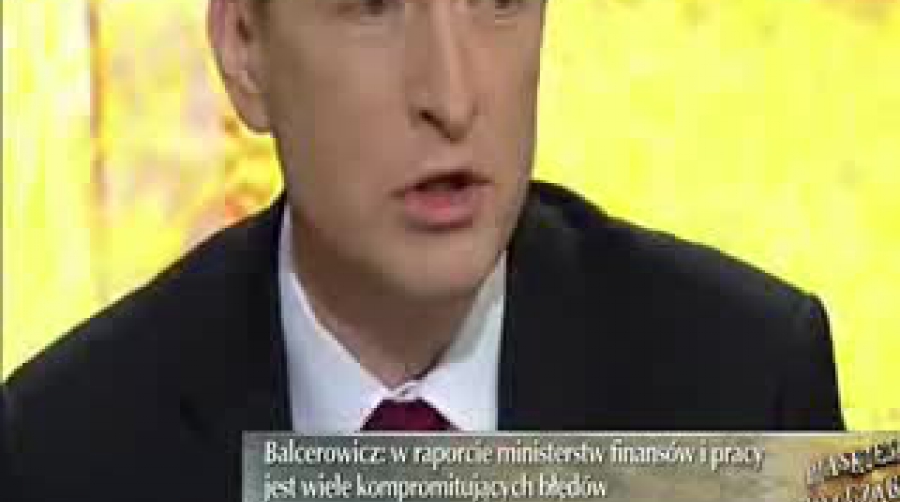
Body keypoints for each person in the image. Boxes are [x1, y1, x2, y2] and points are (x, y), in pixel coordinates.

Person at [7, 0, 844, 500]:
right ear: (245, 49)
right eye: (372, 7)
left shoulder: (759, 376)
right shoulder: (54, 450)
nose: (452, 95)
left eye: (498, 1)